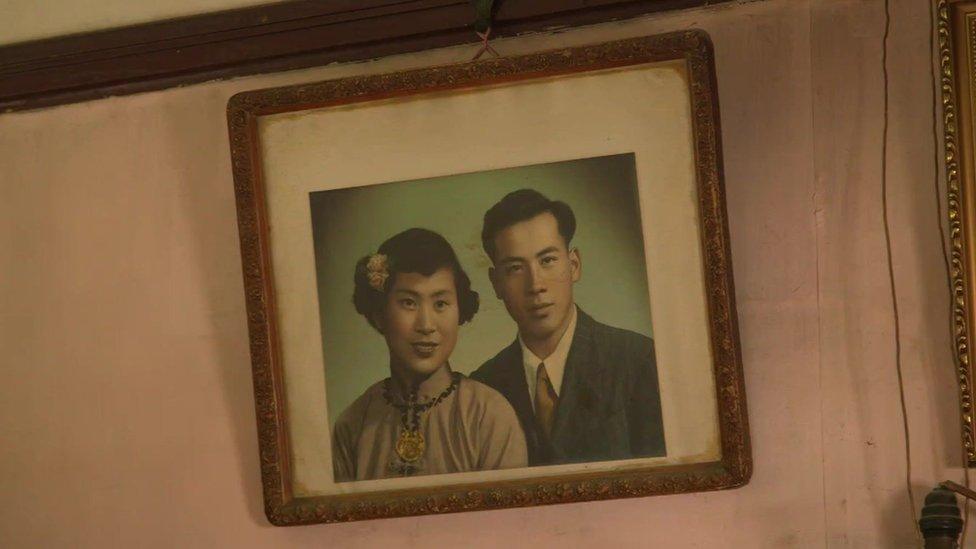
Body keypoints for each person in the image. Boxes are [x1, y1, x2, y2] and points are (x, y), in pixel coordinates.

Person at [471, 189, 666, 466]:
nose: (535, 284)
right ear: (496, 283)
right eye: (515, 268)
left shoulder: (639, 359)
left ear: (574, 265)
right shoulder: (483, 386)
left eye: (547, 260)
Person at [332, 228, 527, 481]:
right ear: (379, 314)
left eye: (440, 304)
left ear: (459, 310)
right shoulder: (353, 424)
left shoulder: (489, 416)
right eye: (408, 303)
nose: (426, 325)